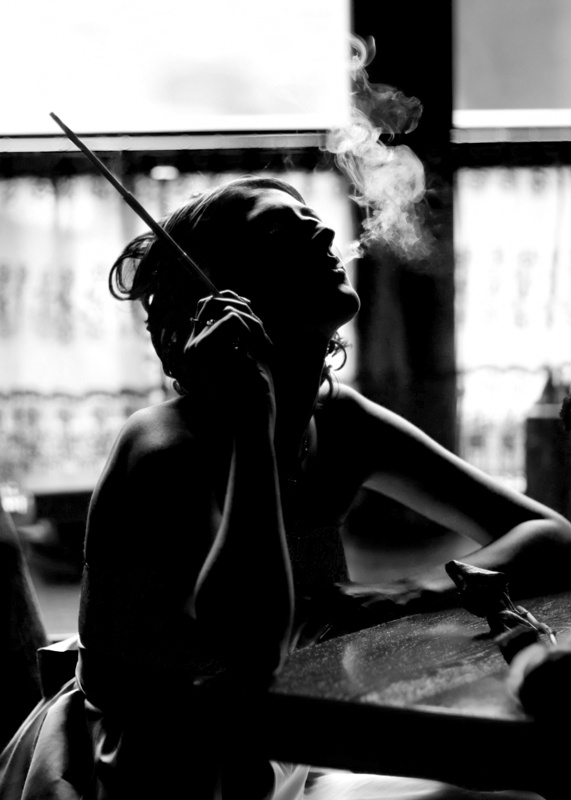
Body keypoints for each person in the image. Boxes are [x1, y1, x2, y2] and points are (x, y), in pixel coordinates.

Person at [1, 174, 569, 800]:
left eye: (313, 221)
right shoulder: (164, 449)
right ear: (222, 296)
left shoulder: (340, 420)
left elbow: (550, 534)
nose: (324, 232)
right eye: (280, 230)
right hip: (151, 763)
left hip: (281, 736)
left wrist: (413, 592)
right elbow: (250, 650)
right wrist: (252, 419)